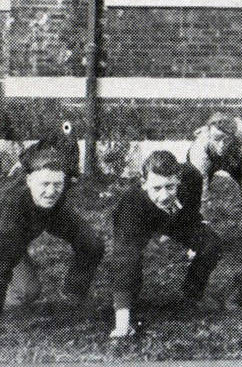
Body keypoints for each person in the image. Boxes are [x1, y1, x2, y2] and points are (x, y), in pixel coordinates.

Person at [109, 150, 222, 338]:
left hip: (177, 218)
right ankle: (127, 310)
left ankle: (191, 295)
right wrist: (122, 322)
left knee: (211, 243)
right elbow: (124, 259)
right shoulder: (130, 205)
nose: (163, 195)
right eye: (156, 188)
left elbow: (192, 210)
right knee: (130, 258)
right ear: (144, 184)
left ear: (178, 179)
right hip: (143, 221)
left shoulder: (192, 177)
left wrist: (192, 239)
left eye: (170, 187)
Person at [0, 145, 104, 315]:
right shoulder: (11, 209)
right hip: (5, 238)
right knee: (26, 291)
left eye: (57, 184)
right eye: (45, 184)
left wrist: (76, 290)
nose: (51, 192)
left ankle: (72, 295)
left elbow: (90, 244)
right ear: (29, 181)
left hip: (21, 233)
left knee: (92, 243)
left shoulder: (56, 195)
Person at [187, 112, 242, 204]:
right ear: (209, 134)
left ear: (233, 136)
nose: (221, 145)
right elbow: (202, 179)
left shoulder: (239, 134)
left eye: (225, 139)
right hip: (208, 157)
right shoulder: (199, 149)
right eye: (216, 139)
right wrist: (205, 201)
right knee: (195, 188)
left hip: (229, 153)